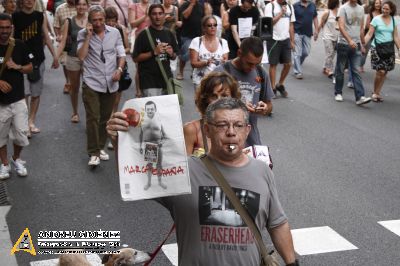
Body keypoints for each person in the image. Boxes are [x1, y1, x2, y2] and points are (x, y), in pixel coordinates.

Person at [106, 97, 298, 266]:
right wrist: (119, 139)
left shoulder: (262, 171)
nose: (231, 132)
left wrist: (292, 263)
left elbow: (277, 224)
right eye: (222, 125)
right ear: (207, 130)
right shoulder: (183, 170)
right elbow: (133, 176)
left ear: (247, 130)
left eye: (238, 125)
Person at [77, 5, 126, 166]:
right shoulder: (83, 34)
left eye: (100, 19)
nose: (98, 23)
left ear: (104, 19)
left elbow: (121, 54)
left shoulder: (115, 33)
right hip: (92, 81)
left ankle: (99, 147)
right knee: (93, 117)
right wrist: (88, 37)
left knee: (105, 118)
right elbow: (81, 56)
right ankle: (93, 153)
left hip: (110, 82)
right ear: (89, 21)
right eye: (94, 20)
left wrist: (119, 69)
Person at [215, 36, 273, 146]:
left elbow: (269, 105)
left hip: (251, 140)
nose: (253, 68)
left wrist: (265, 108)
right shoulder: (221, 73)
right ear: (239, 53)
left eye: (257, 63)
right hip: (224, 140)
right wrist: (237, 107)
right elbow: (208, 107)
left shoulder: (261, 72)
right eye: (249, 63)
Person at [12, 0, 59, 136]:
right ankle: (24, 122)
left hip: (38, 59)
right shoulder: (15, 16)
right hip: (20, 60)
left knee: (36, 93)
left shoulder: (40, 16)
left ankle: (31, 121)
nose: (29, 1)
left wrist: (54, 55)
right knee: (24, 93)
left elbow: (46, 35)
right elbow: (11, 37)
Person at [0, 13, 33, 180]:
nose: (4, 31)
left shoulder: (19, 45)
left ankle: (16, 159)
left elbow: (30, 67)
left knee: (21, 133)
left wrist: (17, 66)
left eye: (7, 27)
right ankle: (4, 164)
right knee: (0, 136)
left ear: (11, 28)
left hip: (18, 98)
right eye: (1, 28)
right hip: (0, 102)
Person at [184, 72, 241, 156]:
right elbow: (184, 166)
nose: (219, 101)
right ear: (205, 99)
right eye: (214, 96)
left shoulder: (238, 129)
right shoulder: (192, 130)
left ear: (233, 99)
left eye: (224, 96)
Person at [132, 4, 178, 97]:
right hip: (149, 82)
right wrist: (153, 52)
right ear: (149, 16)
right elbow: (135, 58)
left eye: (160, 13)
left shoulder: (169, 33)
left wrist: (171, 53)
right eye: (154, 14)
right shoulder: (143, 35)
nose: (157, 17)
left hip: (166, 80)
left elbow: (174, 56)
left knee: (167, 111)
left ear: (164, 15)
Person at [56, 0, 88, 123]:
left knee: (89, 88)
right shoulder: (69, 21)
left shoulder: (91, 20)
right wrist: (56, 57)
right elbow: (63, 41)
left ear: (87, 6)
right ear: (75, 6)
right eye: (79, 4)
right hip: (73, 57)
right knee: (74, 88)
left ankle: (89, 113)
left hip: (88, 59)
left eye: (84, 4)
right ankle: (75, 112)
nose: (81, 7)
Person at [334, 0, 371, 105]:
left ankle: (360, 97)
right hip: (344, 44)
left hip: (357, 44)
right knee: (340, 69)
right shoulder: (343, 8)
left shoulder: (361, 9)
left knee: (356, 70)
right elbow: (341, 27)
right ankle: (338, 92)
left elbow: (361, 28)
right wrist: (349, 40)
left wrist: (362, 44)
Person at [364, 0, 400, 102]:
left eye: (387, 9)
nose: (384, 10)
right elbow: (370, 34)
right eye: (383, 8)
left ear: (391, 10)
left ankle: (377, 92)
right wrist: (363, 44)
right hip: (377, 48)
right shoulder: (376, 19)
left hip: (389, 49)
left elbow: (396, 36)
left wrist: (399, 48)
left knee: (385, 72)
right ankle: (375, 93)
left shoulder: (393, 20)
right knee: (380, 71)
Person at [264, 0, 295, 98]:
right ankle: (272, 87)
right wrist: (281, 13)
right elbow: (269, 23)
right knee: (273, 64)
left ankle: (280, 84)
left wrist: (292, 40)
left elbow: (291, 24)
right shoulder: (270, 6)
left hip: (285, 39)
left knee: (288, 64)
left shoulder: (290, 6)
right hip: (274, 39)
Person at [189, 15, 229, 90]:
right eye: (209, 25)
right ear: (204, 28)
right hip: (200, 81)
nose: (212, 27)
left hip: (217, 82)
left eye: (215, 25)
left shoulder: (223, 42)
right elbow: (193, 63)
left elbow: (225, 62)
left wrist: (224, 62)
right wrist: (205, 62)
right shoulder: (197, 41)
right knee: (201, 101)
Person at [176, 0, 211, 80]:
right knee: (185, 55)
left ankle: (194, 72)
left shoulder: (201, 6)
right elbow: (185, 16)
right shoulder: (185, 5)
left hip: (198, 35)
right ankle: (180, 72)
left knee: (197, 56)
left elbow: (205, 19)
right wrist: (191, 4)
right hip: (187, 35)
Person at [104, 6, 130, 113]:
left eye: (113, 20)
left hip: (119, 64)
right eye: (108, 20)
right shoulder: (102, 31)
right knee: (106, 96)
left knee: (117, 96)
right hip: (106, 65)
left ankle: (113, 116)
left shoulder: (120, 29)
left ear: (116, 20)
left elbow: (128, 48)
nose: (110, 23)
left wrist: (119, 51)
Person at [139, 100, 167, 190]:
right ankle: (149, 183)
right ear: (146, 110)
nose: (150, 111)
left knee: (159, 165)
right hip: (149, 145)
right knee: (149, 165)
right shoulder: (142, 121)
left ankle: (160, 182)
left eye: (152, 109)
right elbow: (141, 134)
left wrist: (162, 142)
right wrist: (140, 146)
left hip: (158, 145)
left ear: (155, 109)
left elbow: (165, 135)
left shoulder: (159, 121)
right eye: (148, 109)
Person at [54, 0, 77, 94]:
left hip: (78, 40)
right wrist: (58, 35)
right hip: (65, 41)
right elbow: (56, 25)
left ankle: (79, 83)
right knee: (65, 63)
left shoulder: (81, 7)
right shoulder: (60, 9)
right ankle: (68, 82)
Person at [292, 0, 318, 79]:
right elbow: (291, 20)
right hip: (297, 32)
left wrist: (316, 30)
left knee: (306, 52)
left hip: (308, 32)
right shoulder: (295, 5)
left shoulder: (312, 5)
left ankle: (297, 64)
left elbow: (315, 17)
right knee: (297, 53)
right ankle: (298, 72)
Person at [318, 0, 339, 78]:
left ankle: (325, 66)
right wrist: (317, 33)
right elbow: (321, 23)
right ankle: (329, 70)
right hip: (327, 36)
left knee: (332, 53)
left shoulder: (339, 13)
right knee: (330, 52)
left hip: (336, 36)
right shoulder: (327, 13)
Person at [360, 0, 381, 73]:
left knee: (379, 53)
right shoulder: (370, 14)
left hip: (379, 37)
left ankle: (380, 68)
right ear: (374, 4)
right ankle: (361, 66)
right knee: (364, 52)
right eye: (376, 3)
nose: (378, 5)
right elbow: (367, 26)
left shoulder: (382, 14)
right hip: (370, 35)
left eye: (379, 3)